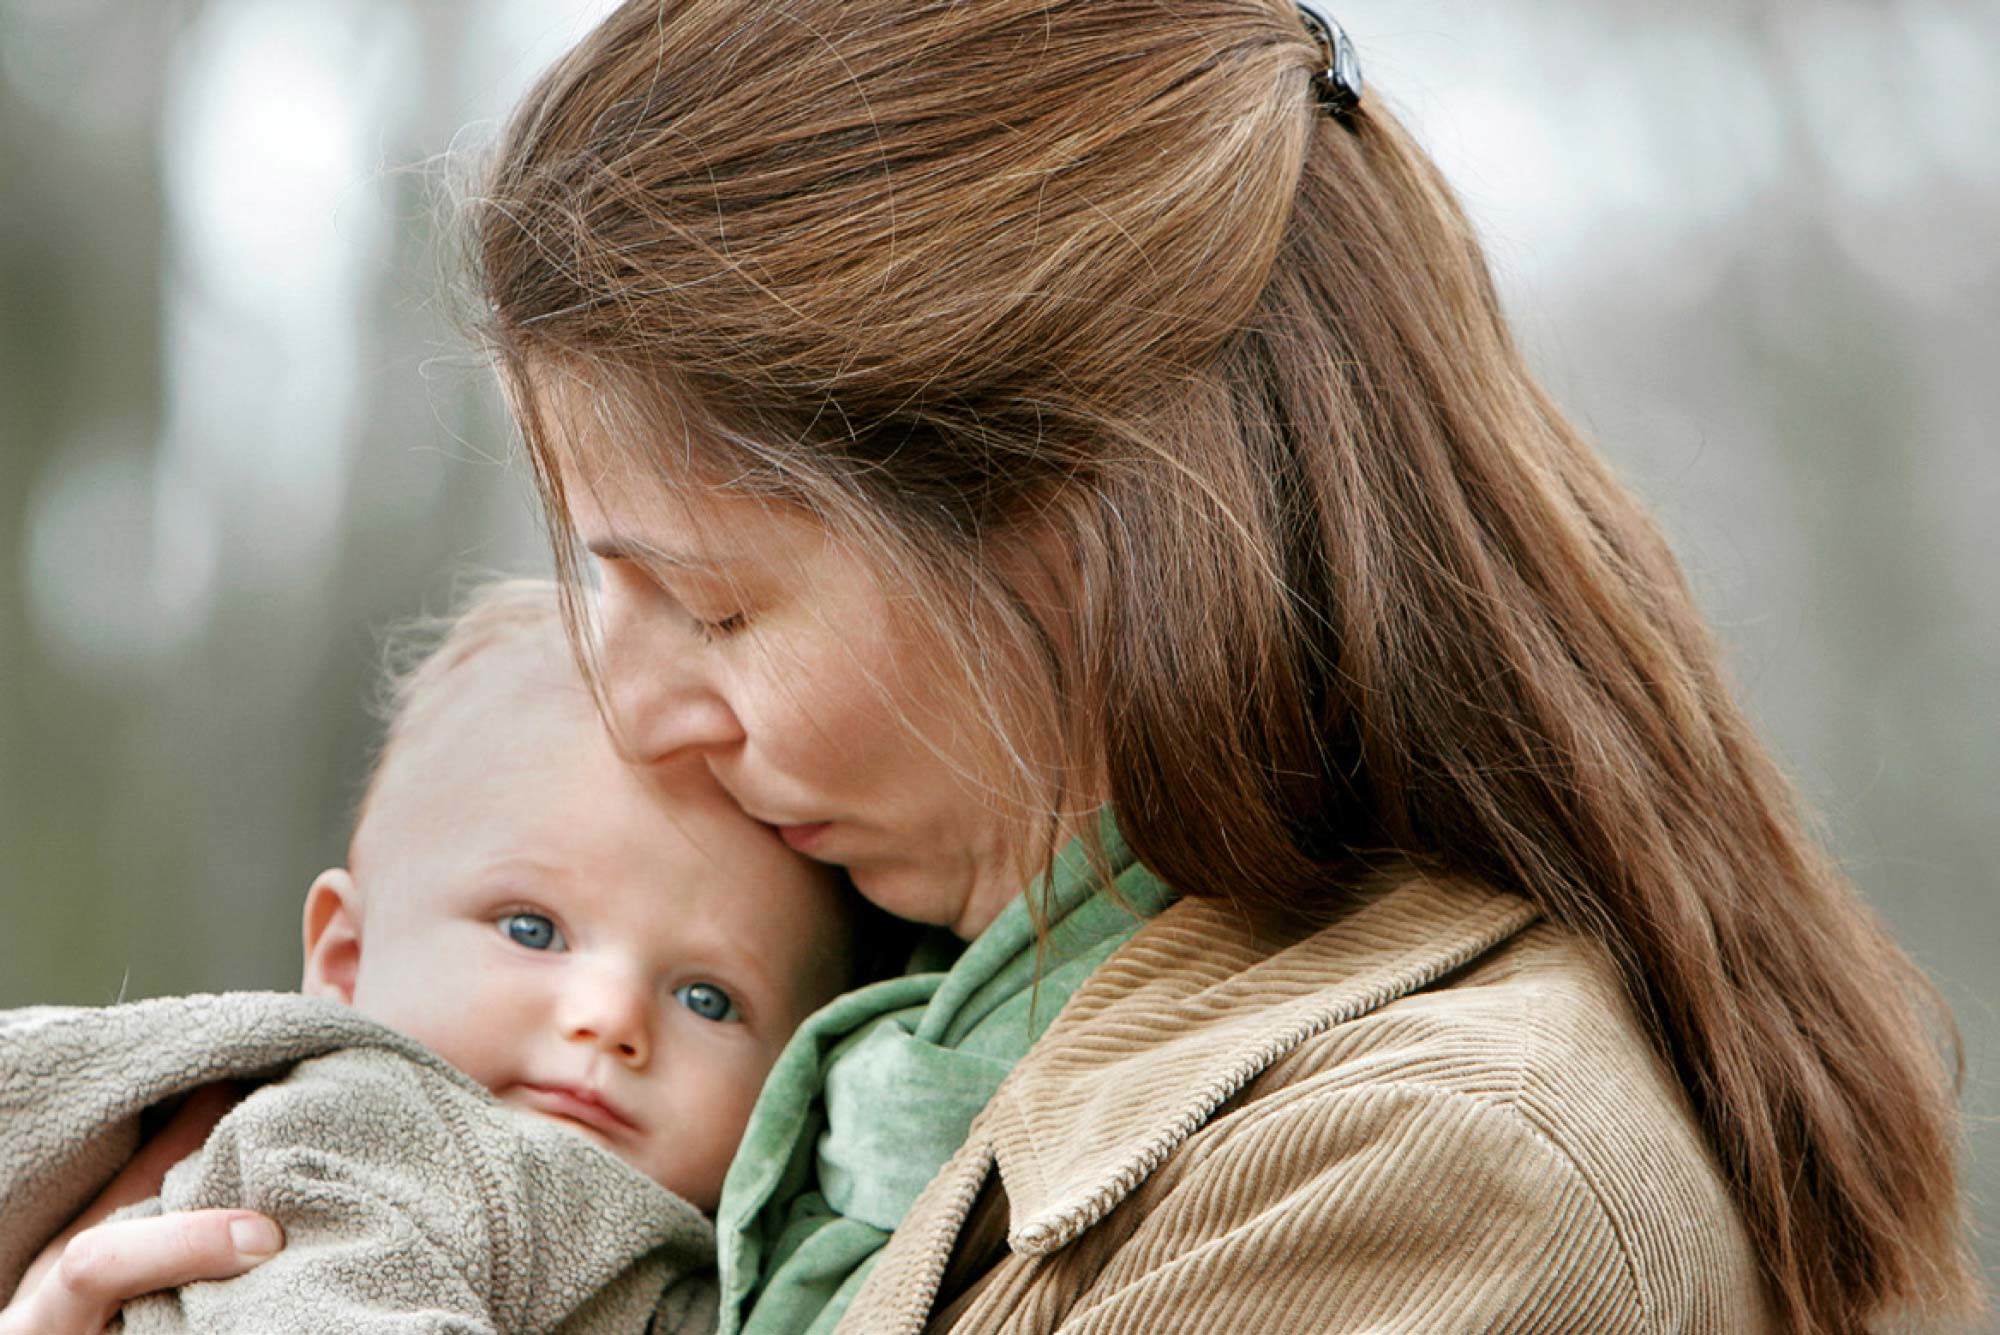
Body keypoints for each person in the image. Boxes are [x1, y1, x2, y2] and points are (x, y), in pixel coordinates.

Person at [17, 2, 1983, 1332]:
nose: (637, 709)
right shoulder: (895, 1043)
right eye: (594, 593)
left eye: (712, 605)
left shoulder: (1411, 1167)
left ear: (1075, 535)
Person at [0, 579, 855, 1331]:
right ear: (346, 955)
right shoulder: (374, 1133)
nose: (610, 1017)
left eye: (707, 997)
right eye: (532, 929)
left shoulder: (722, 1257)